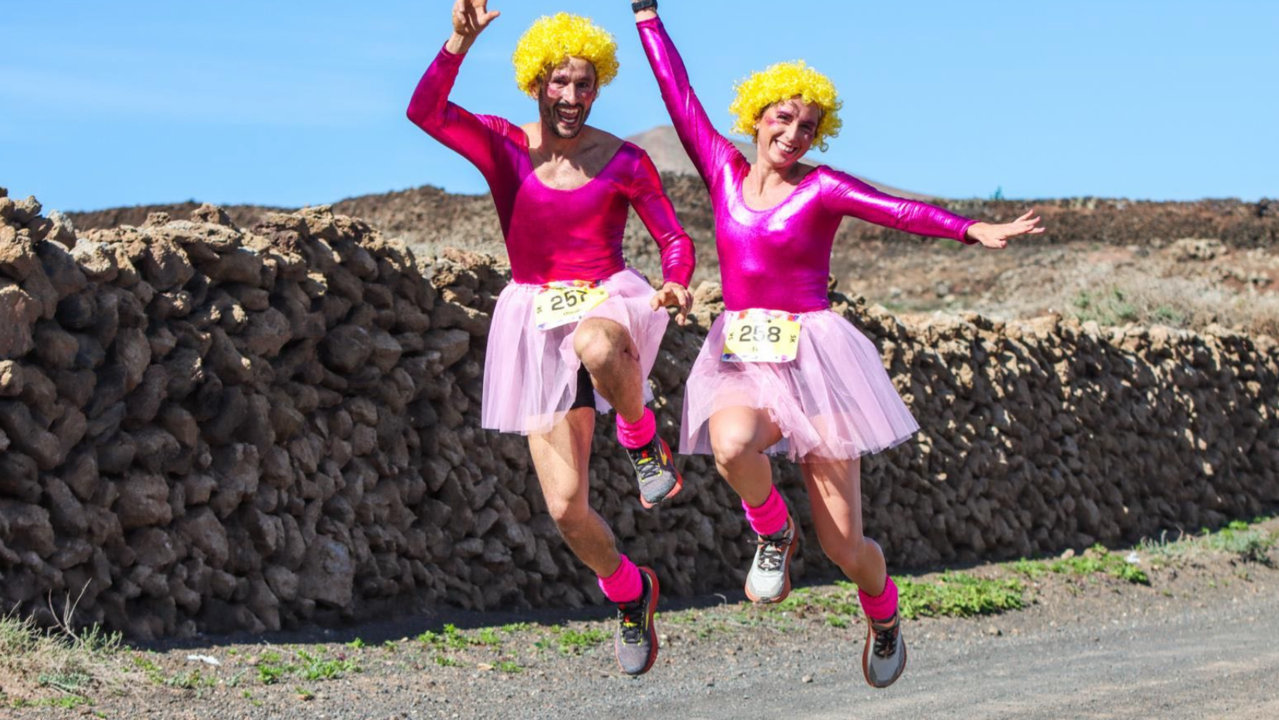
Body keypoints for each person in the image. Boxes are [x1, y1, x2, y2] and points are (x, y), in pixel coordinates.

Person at [630, 1, 1043, 688]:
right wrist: (646, 14)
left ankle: (883, 614)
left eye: (808, 126)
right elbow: (679, 94)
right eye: (783, 119)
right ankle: (771, 530)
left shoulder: (822, 188)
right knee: (729, 444)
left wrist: (971, 230)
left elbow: (899, 209)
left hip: (816, 361)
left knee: (845, 543)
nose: (793, 134)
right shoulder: (722, 171)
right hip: (745, 355)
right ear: (757, 115)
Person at [407, 0, 699, 676]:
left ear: (599, 88)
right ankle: (631, 592)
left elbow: (674, 239)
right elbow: (425, 112)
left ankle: (641, 439)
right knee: (567, 511)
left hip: (604, 301)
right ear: (537, 80)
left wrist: (677, 280)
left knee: (598, 347)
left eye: (585, 84)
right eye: (559, 82)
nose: (571, 97)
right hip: (534, 326)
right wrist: (455, 43)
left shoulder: (622, 160)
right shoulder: (502, 144)